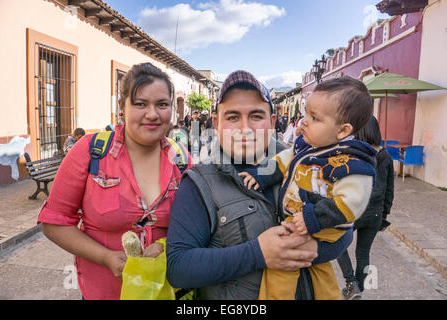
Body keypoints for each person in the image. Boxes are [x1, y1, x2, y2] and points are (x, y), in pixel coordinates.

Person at [166, 70, 353, 300]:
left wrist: (316, 250)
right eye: (233, 117)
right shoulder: (199, 183)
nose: (245, 128)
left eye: (256, 116)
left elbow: (345, 226)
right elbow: (179, 268)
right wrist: (258, 253)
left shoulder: (307, 165)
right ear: (216, 123)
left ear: (272, 122)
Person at [37, 62, 191, 300]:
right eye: (140, 104)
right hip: (103, 292)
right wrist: (105, 257)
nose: (152, 114)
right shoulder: (91, 151)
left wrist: (164, 245)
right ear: (123, 108)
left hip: (164, 290)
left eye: (162, 104)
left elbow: (196, 224)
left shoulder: (180, 158)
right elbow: (54, 222)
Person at [239, 76, 377, 299]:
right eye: (306, 113)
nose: (303, 121)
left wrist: (314, 218)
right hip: (309, 222)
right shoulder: (309, 146)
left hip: (324, 226)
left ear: (342, 131)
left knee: (283, 263)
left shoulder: (352, 163)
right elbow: (284, 160)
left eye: (314, 118)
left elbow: (352, 203)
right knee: (320, 271)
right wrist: (261, 176)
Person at [336, 116, 394, 299]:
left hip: (353, 210)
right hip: (375, 213)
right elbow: (389, 189)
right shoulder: (385, 155)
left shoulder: (351, 153)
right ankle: (357, 289)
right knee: (363, 253)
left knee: (336, 243)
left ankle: (351, 283)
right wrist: (384, 215)